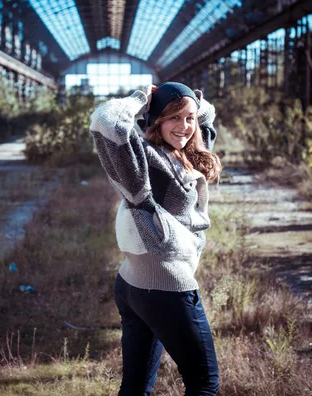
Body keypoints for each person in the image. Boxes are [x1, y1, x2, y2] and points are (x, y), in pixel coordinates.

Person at [89, 82, 222, 395]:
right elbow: (106, 120)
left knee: (135, 388)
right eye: (174, 118)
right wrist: (141, 99)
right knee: (204, 385)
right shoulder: (144, 159)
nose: (185, 126)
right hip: (165, 287)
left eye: (189, 118)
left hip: (135, 284)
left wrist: (186, 97)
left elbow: (207, 116)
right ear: (156, 120)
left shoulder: (187, 151)